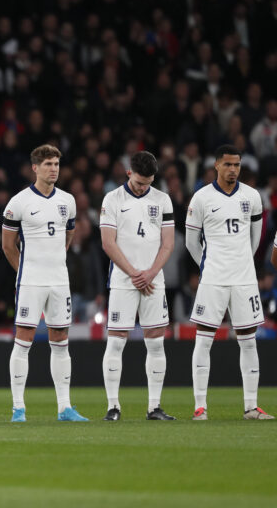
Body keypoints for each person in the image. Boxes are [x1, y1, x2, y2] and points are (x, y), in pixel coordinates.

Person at [1, 144, 88, 423]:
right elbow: (7, 245)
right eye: (48, 164)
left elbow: (68, 235)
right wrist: (24, 272)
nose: (54, 169)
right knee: (23, 340)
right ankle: (18, 408)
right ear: (35, 168)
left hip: (59, 281)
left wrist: (54, 263)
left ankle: (65, 408)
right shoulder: (19, 202)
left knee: (61, 341)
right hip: (31, 281)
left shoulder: (68, 201)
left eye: (57, 164)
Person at [186, 144, 273, 420]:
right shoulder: (201, 198)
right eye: (228, 165)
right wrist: (208, 264)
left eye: (236, 165)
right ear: (216, 166)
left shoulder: (252, 196)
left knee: (248, 342)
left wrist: (241, 262)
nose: (233, 169)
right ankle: (200, 406)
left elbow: (255, 239)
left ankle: (251, 406)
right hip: (213, 278)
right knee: (204, 340)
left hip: (244, 279)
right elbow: (191, 242)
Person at [99, 151, 176, 421]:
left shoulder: (162, 199)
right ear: (128, 172)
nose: (144, 187)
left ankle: (154, 407)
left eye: (148, 182)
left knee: (156, 343)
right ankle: (113, 406)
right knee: (116, 342)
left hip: (153, 280)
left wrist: (151, 273)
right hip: (123, 280)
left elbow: (168, 243)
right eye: (139, 182)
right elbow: (108, 242)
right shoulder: (113, 199)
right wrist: (134, 273)